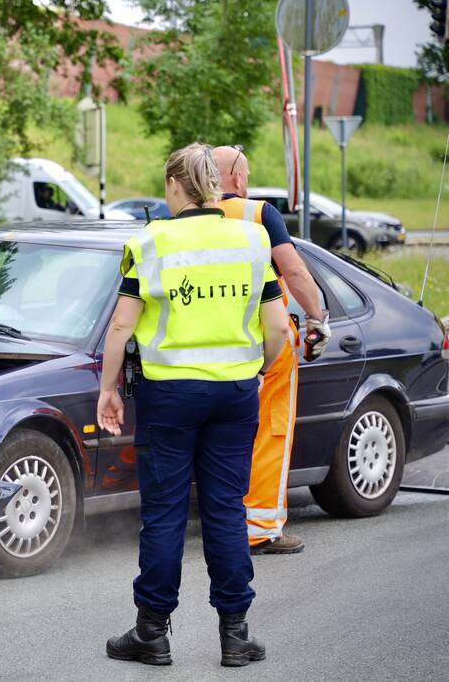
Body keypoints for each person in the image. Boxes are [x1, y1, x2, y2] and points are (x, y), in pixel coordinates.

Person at [98, 143, 291, 668]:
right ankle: (235, 636)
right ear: (217, 184)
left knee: (164, 515)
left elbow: (120, 325)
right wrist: (253, 369)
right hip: (234, 394)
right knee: (227, 509)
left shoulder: (152, 242)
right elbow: (277, 326)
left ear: (173, 186)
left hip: (169, 397)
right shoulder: (252, 239)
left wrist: (108, 389)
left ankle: (151, 634)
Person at [211, 145, 331, 555]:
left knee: (222, 436)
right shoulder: (258, 214)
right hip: (264, 339)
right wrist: (317, 317)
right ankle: (260, 528)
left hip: (205, 343)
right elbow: (293, 270)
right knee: (269, 430)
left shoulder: (184, 216)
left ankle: (222, 522)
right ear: (239, 179)